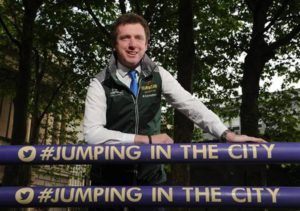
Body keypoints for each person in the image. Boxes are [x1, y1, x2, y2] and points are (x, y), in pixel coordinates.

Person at [84, 13, 265, 211]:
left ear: (147, 44)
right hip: (108, 180)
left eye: (138, 38)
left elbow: (191, 105)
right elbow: (93, 134)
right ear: (114, 44)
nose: (132, 44)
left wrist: (227, 134)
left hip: (150, 177)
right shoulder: (100, 83)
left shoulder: (158, 74)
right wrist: (146, 140)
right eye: (125, 37)